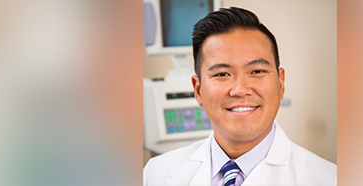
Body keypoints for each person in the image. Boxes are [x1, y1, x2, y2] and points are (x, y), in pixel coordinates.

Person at [143, 7, 337, 185]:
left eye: (257, 71)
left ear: (280, 83)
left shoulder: (328, 179)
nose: (240, 89)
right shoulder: (156, 174)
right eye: (221, 74)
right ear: (198, 90)